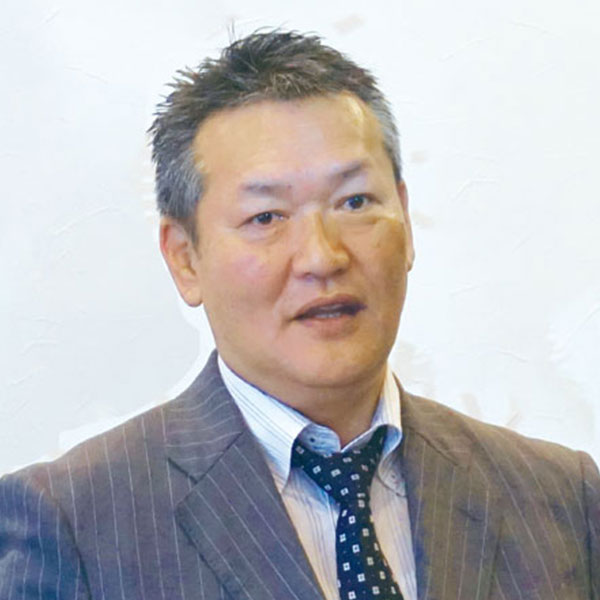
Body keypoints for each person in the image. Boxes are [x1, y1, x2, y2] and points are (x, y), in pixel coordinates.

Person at [0, 29, 598, 600]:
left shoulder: (559, 497)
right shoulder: (73, 524)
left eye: (355, 202)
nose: (323, 257)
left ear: (406, 219)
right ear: (185, 258)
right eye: (266, 217)